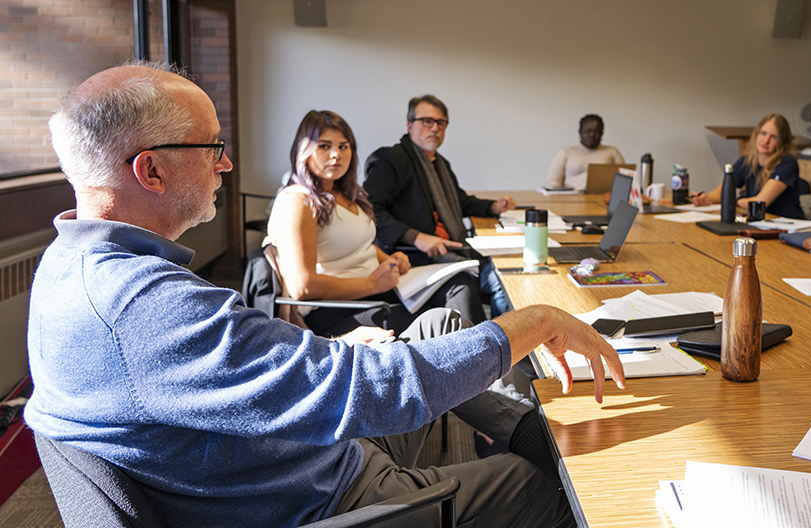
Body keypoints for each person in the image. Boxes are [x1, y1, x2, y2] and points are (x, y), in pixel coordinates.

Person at [26, 63, 626, 528]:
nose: (227, 163)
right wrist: (535, 321)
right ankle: (542, 454)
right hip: (326, 496)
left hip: (298, 449)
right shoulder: (144, 307)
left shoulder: (72, 265)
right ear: (150, 171)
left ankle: (532, 434)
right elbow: (369, 387)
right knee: (541, 486)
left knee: (442, 327)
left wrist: (329, 347)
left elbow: (232, 371)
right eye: (212, 148)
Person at [266, 110, 484, 335]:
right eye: (324, 146)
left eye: (343, 146)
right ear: (304, 150)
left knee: (460, 285)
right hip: (337, 310)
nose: (336, 155)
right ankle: (487, 362)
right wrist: (371, 284)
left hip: (377, 293)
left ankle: (488, 362)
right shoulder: (297, 201)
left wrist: (391, 260)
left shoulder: (343, 194)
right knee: (447, 322)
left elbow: (359, 244)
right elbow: (302, 286)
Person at [364, 95, 516, 317]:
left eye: (440, 123)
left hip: (455, 248)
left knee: (507, 271)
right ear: (409, 125)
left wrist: (493, 207)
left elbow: (460, 202)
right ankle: (500, 343)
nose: (434, 128)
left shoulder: (440, 164)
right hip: (414, 257)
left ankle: (505, 339)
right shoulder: (391, 159)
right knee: (500, 280)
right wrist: (416, 237)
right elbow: (370, 212)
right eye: (427, 121)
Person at [689, 113, 805, 219]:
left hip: (785, 225)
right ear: (756, 134)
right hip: (758, 222)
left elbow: (760, 202)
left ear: (782, 142)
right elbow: (721, 193)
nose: (765, 141)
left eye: (773, 137)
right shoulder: (746, 161)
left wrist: (733, 201)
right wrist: (706, 199)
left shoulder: (787, 163)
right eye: (763, 133)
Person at [545, 114, 625, 191]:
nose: (592, 135)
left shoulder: (612, 152)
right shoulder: (565, 153)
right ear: (580, 132)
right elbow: (552, 183)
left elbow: (625, 181)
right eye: (588, 131)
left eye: (596, 132)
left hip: (603, 199)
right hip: (571, 200)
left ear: (602, 133)